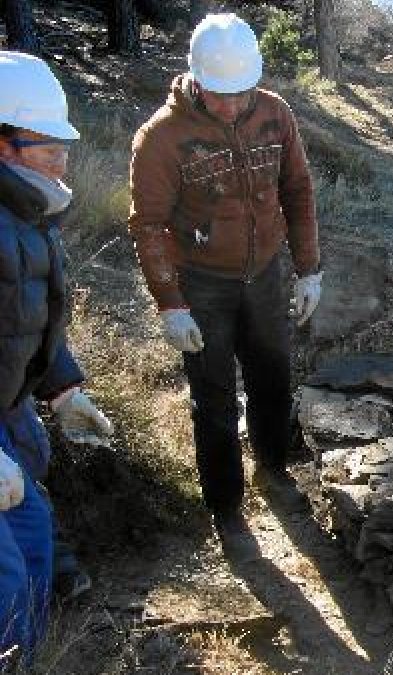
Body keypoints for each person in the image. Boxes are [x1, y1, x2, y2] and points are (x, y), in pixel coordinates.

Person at [127, 14, 321, 550]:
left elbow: (298, 190)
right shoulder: (162, 138)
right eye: (220, 95)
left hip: (264, 272)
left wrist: (309, 270)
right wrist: (171, 304)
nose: (233, 106)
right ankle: (226, 509)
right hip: (202, 283)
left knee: (273, 375)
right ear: (195, 79)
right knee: (213, 397)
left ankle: (274, 470)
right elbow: (149, 224)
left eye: (242, 93)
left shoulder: (275, 114)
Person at [0, 51, 114, 663]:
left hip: (11, 404)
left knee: (36, 546)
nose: (62, 158)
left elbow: (28, 317)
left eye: (63, 143)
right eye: (45, 146)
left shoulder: (28, 213)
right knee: (6, 583)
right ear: (3, 146)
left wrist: (64, 390)